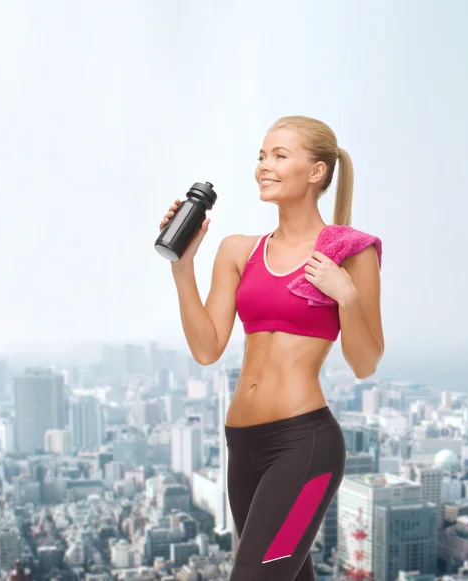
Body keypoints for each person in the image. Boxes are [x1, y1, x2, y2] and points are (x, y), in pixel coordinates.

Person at [159, 115, 384, 581]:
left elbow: (365, 362)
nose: (264, 165)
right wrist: (183, 268)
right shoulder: (237, 250)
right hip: (242, 447)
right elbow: (207, 348)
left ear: (317, 172)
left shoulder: (350, 255)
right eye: (262, 156)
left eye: (280, 155)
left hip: (305, 447)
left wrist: (345, 294)